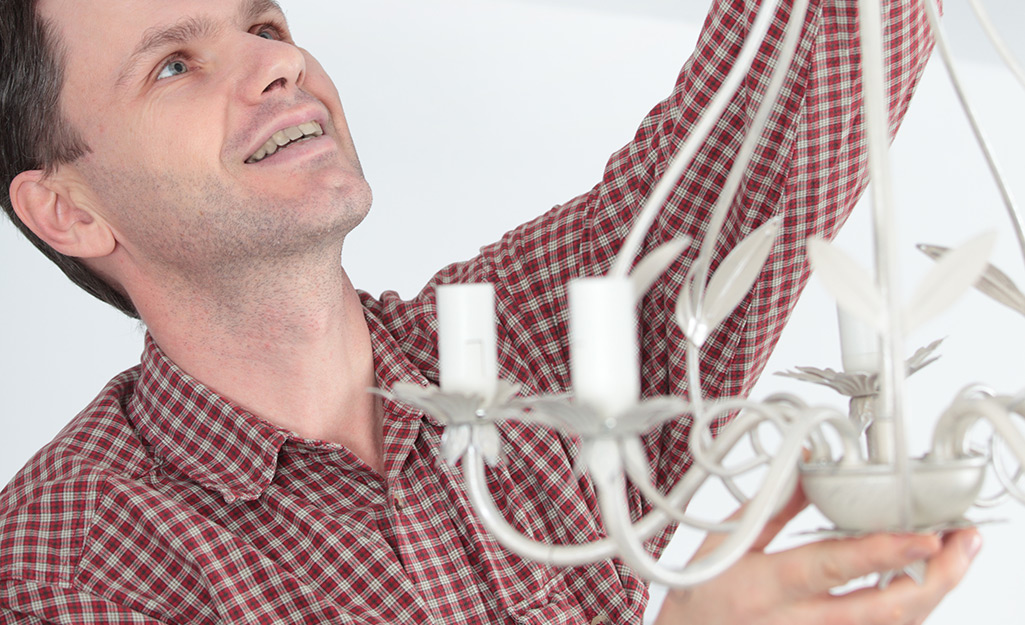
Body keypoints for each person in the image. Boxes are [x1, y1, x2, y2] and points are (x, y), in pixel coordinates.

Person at [0, 0, 978, 622]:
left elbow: (782, 110)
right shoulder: (63, 562)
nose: (275, 66)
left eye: (263, 25)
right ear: (67, 208)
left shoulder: (537, 339)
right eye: (173, 64)